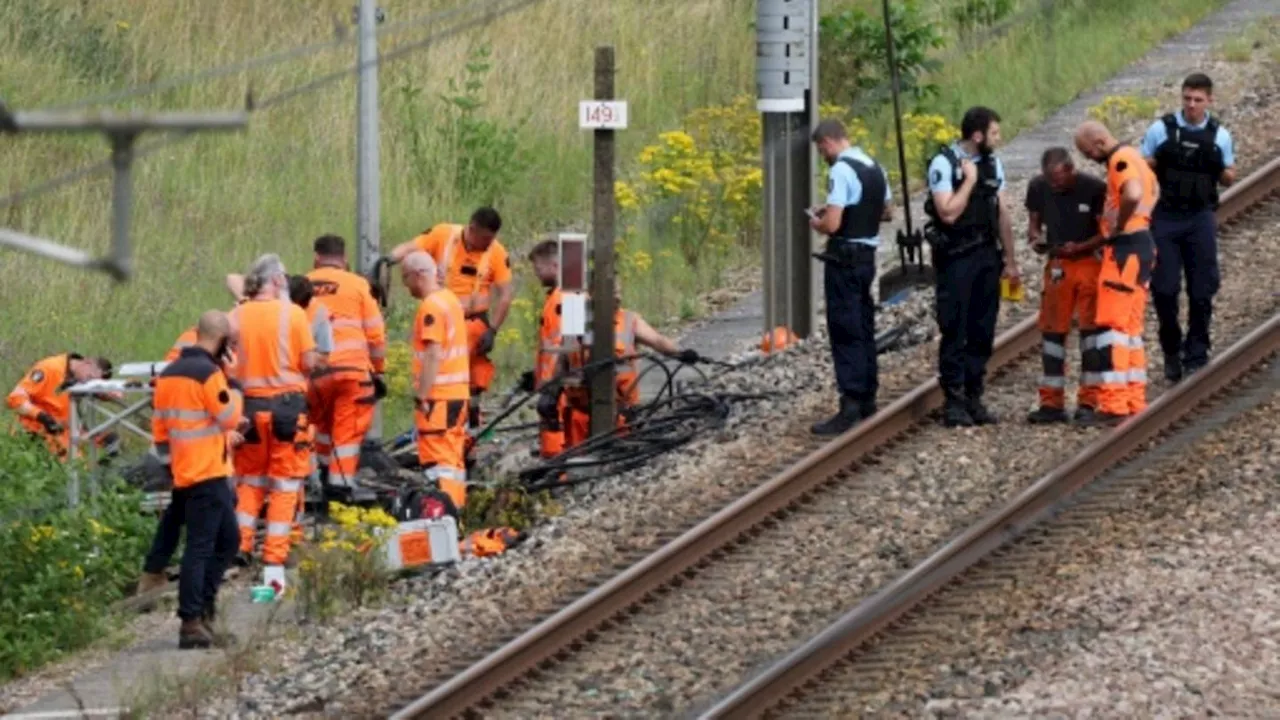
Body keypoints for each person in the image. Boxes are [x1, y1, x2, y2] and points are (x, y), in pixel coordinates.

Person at [147, 310, 244, 649]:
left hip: (186, 472)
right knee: (203, 548)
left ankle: (202, 611)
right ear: (219, 341)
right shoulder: (210, 374)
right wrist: (232, 380)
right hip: (208, 473)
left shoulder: (169, 374)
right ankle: (191, 622)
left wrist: (174, 466)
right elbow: (230, 417)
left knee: (228, 540)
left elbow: (159, 430)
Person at [924, 106, 1019, 427]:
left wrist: (1010, 259)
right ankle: (954, 400)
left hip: (986, 255)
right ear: (977, 136)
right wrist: (969, 182)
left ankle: (974, 394)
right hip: (956, 256)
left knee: (982, 328)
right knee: (955, 328)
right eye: (994, 133)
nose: (999, 138)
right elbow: (948, 212)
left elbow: (1002, 212)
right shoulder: (945, 164)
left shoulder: (993, 163)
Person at [228, 254, 320, 580]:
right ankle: (275, 556)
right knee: (285, 483)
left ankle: (240, 547)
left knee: (250, 480)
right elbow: (308, 362)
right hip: (287, 408)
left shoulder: (235, 316)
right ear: (278, 281)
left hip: (248, 409)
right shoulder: (293, 314)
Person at [1140, 72, 1236, 381]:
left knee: (1202, 289)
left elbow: (1229, 175)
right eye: (1187, 99)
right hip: (1166, 217)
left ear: (1209, 100)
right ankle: (1171, 349)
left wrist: (1217, 165)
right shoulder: (1161, 130)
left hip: (1199, 217)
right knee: (1165, 289)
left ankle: (1197, 350)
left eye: (1197, 100)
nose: (1191, 105)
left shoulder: (1219, 135)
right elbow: (1142, 168)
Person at [390, 207, 514, 432]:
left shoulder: (496, 252)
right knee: (440, 374)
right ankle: (441, 420)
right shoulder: (443, 235)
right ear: (473, 229)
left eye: (493, 239)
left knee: (475, 380)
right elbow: (410, 248)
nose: (489, 243)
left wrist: (493, 329)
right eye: (486, 238)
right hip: (444, 320)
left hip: (474, 323)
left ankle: (471, 428)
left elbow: (506, 294)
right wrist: (386, 261)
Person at [808, 118, 893, 436]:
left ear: (829, 142)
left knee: (844, 328)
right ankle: (869, 393)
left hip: (843, 258)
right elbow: (887, 211)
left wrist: (818, 221)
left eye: (821, 149)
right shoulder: (874, 167)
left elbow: (832, 225)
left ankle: (851, 401)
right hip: (867, 256)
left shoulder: (841, 170)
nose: (822, 155)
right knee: (863, 323)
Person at [1073, 120, 1158, 424]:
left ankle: (1113, 404)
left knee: (1112, 329)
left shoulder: (1120, 161)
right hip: (1143, 245)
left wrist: (1118, 225)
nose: (1087, 159)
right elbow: (1152, 192)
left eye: (1087, 152)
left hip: (1125, 249)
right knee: (1131, 330)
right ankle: (1134, 398)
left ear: (1098, 142)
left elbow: (1133, 194)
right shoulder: (1137, 157)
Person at [559, 279, 699, 451]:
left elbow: (657, 340)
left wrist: (680, 353)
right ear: (592, 293)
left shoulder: (629, 320)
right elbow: (561, 361)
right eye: (612, 292)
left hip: (620, 414)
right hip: (579, 416)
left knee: (617, 458)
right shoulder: (575, 322)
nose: (617, 297)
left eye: (619, 292)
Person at [1024, 147, 1108, 424]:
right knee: (1051, 334)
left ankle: (1089, 401)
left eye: (1059, 179)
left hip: (1088, 264)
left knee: (1091, 334)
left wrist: (1081, 246)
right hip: (1058, 263)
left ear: (1071, 169)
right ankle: (1051, 403)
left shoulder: (1094, 188)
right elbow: (1033, 223)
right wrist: (1036, 238)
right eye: (1050, 180)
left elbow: (1106, 231)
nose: (1054, 185)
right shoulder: (1038, 187)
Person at [305, 234, 388, 487]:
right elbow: (375, 335)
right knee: (347, 433)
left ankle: (317, 476)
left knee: (319, 427)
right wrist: (379, 371)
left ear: (317, 258)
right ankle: (340, 486)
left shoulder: (303, 285)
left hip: (314, 373)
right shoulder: (357, 285)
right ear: (345, 258)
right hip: (352, 373)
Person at [401, 250, 471, 512]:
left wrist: (422, 393)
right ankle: (456, 513)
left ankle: (442, 516)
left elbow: (433, 353)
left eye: (405, 278)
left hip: (438, 397)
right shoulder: (450, 300)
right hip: (457, 394)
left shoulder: (431, 306)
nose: (405, 285)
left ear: (419, 275)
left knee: (438, 462)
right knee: (453, 462)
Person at [7, 353, 113, 456]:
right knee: (76, 466)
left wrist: (106, 392)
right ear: (87, 363)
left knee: (108, 442)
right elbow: (15, 398)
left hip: (62, 432)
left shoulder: (78, 377)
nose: (87, 382)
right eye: (89, 377)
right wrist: (41, 416)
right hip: (35, 431)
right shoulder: (50, 368)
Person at [526, 239, 569, 458]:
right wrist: (536, 377)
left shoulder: (566, 299)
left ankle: (559, 475)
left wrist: (554, 386)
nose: (536, 274)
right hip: (552, 384)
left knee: (558, 435)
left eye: (538, 268)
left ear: (554, 266)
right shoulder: (554, 299)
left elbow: (570, 347)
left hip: (561, 387)